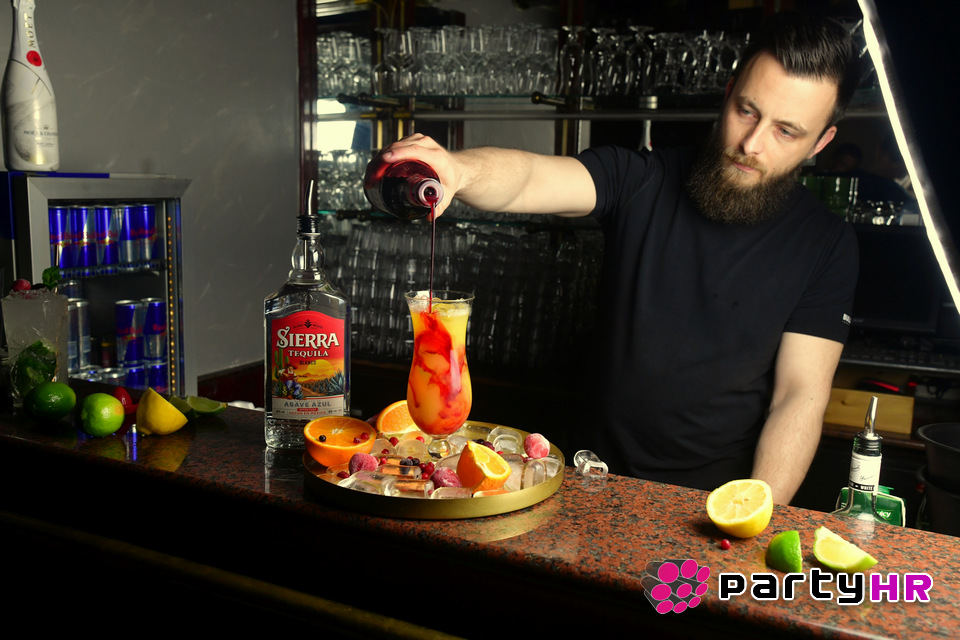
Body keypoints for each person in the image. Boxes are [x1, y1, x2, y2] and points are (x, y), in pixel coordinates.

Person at [372, 12, 861, 505]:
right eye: (747, 111)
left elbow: (798, 397)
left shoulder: (826, 242)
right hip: (586, 481)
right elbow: (531, 177)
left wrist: (757, 511)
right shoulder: (643, 178)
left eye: (786, 131)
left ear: (820, 143)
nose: (752, 143)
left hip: (711, 502)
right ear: (729, 92)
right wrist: (459, 170)